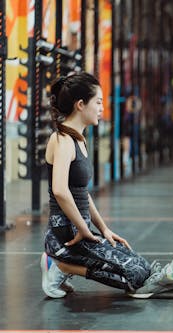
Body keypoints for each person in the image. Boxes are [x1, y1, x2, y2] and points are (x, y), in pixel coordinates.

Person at [41, 72, 157, 298]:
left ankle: (61, 263)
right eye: (99, 102)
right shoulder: (62, 140)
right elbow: (60, 191)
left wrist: (104, 229)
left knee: (142, 266)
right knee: (135, 277)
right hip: (65, 235)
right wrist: (84, 230)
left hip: (81, 231)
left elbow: (81, 193)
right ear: (81, 105)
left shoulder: (79, 141)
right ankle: (61, 266)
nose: (102, 108)